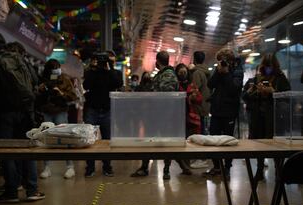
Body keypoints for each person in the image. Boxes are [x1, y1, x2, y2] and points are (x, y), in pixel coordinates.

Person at [0, 32, 44, 202]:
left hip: (2, 114)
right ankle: (32, 190)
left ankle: (12, 192)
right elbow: (35, 80)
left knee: (6, 152)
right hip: (24, 113)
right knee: (26, 150)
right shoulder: (17, 59)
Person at [130, 51, 178, 180]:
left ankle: (165, 170)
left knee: (164, 143)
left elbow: (162, 94)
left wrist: (150, 92)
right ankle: (145, 167)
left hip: (163, 115)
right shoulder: (162, 75)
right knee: (149, 141)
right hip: (157, 115)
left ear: (158, 61)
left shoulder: (168, 75)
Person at [242, 54, 291, 180]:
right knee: (259, 144)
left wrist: (273, 92)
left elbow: (287, 97)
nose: (267, 69)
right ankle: (259, 170)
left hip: (274, 118)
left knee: (276, 145)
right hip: (258, 117)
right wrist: (255, 92)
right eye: (265, 66)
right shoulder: (255, 79)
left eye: (270, 66)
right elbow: (245, 97)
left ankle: (278, 172)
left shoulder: (280, 78)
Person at [203, 48, 243, 178]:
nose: (220, 63)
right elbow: (210, 84)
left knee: (228, 141)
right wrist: (219, 72)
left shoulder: (237, 70)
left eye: (222, 61)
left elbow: (234, 89)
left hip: (229, 111)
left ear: (229, 60)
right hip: (216, 110)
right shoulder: (219, 69)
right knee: (213, 139)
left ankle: (227, 168)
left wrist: (226, 73)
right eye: (218, 61)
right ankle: (216, 166)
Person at [83, 52, 123, 177]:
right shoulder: (91, 73)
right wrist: (93, 69)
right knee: (89, 139)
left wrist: (109, 69)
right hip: (92, 109)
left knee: (107, 140)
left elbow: (118, 83)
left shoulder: (115, 73)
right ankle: (90, 167)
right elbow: (86, 85)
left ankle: (107, 166)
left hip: (107, 110)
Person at [37, 59, 77, 179]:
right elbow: (37, 96)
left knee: (65, 138)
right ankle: (47, 167)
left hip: (60, 111)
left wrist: (60, 93)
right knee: (46, 138)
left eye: (57, 67)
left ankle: (70, 167)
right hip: (46, 111)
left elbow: (73, 96)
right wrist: (42, 90)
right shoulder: (43, 79)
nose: (56, 71)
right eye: (53, 68)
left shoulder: (65, 79)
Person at [189, 51, 211, 169]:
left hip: (198, 106)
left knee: (199, 131)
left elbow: (195, 90)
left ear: (194, 59)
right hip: (206, 105)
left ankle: (201, 157)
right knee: (203, 129)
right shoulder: (207, 72)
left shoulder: (197, 73)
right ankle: (203, 156)